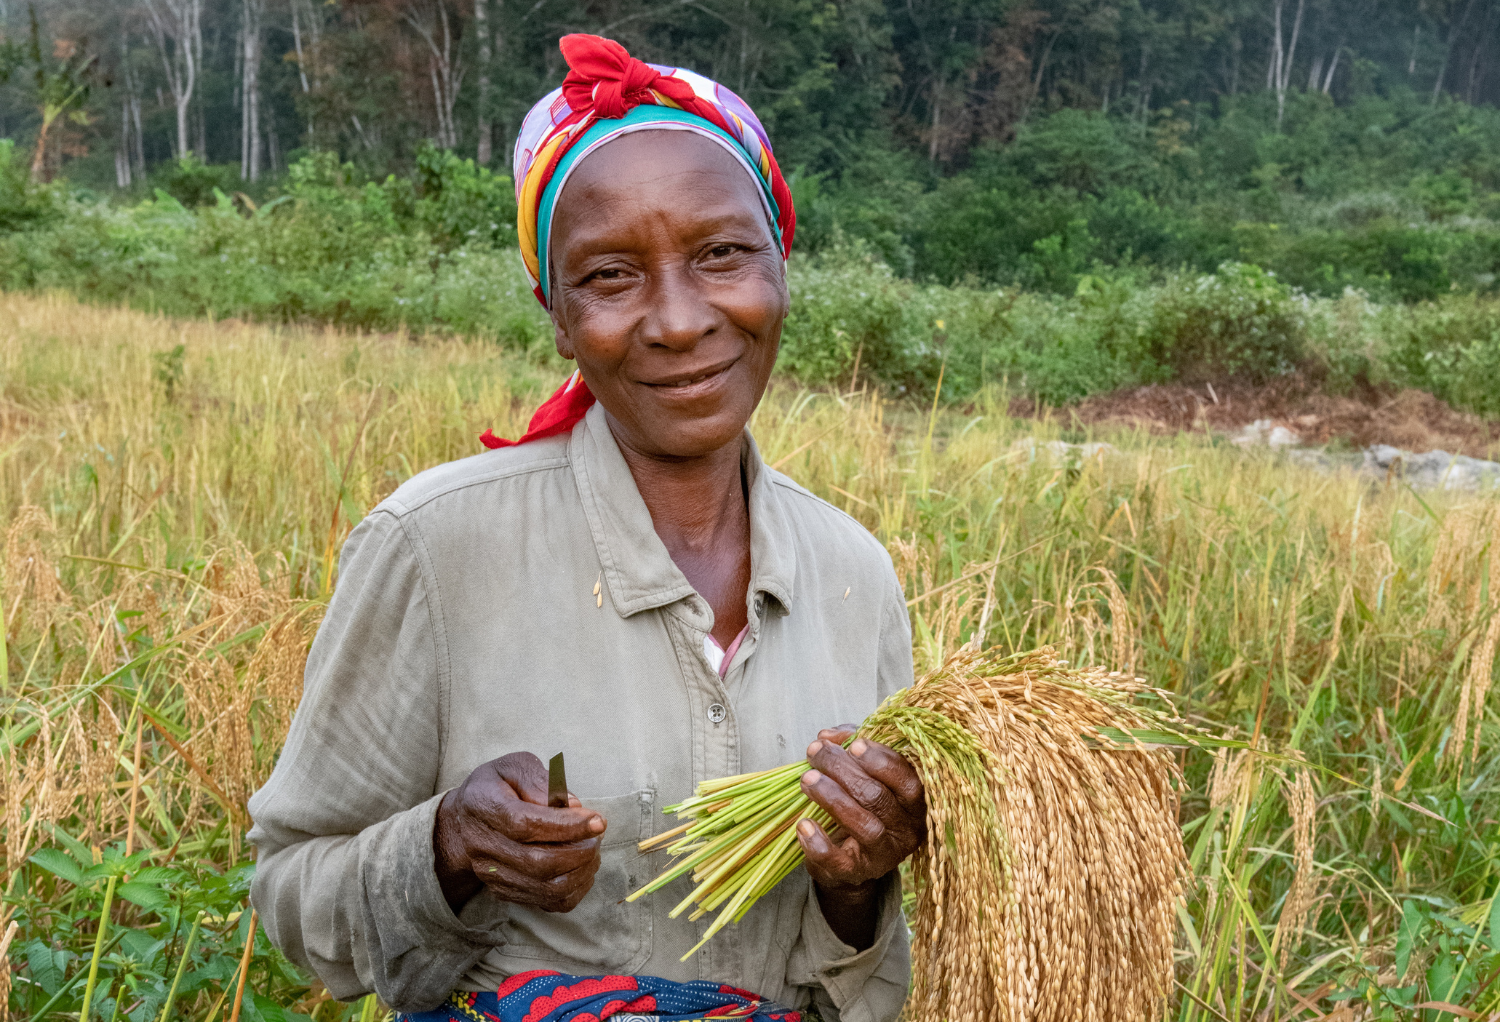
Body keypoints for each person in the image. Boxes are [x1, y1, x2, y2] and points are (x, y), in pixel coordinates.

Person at [247, 33, 925, 1022]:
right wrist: (446, 847)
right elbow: (290, 891)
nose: (680, 319)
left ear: (781, 267)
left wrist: (857, 884)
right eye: (611, 276)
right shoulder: (436, 546)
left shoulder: (852, 573)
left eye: (722, 255)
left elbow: (876, 968)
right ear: (557, 315)